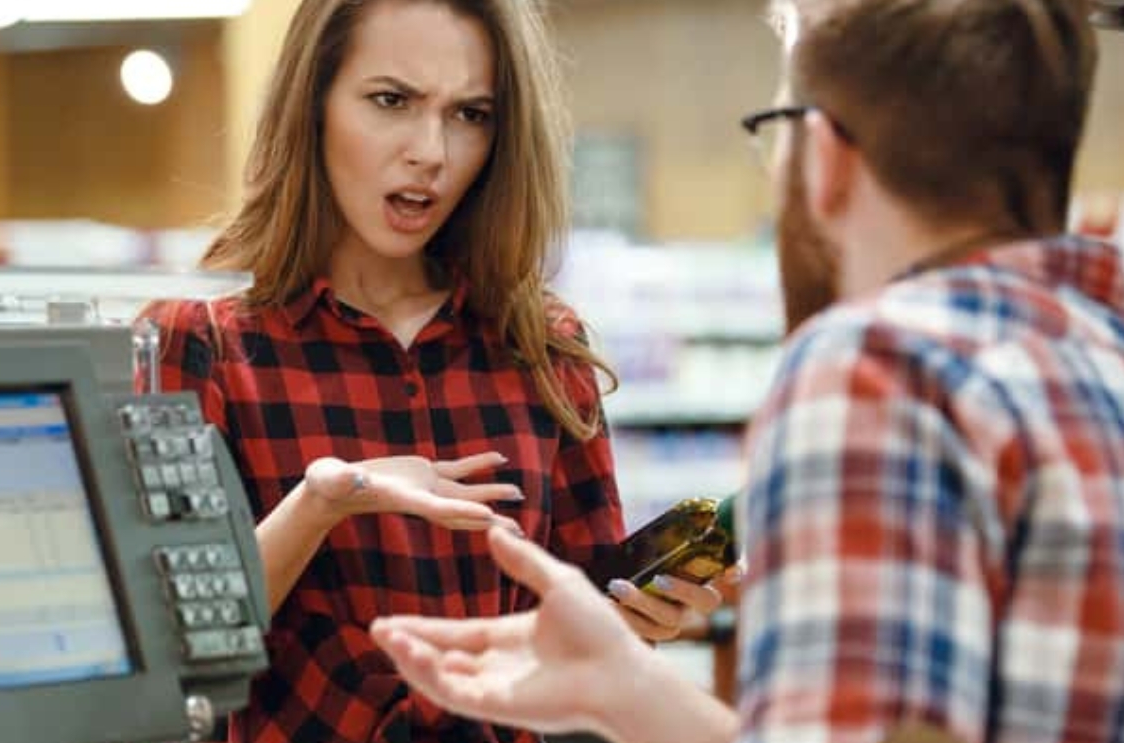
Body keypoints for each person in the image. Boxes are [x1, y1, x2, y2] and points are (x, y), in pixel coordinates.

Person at [371, 1, 1124, 743]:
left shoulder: (881, 368)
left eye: (775, 132)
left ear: (823, 157)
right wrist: (624, 689)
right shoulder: (1094, 347)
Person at [145, 1, 714, 741]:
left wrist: (639, 617)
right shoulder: (200, 349)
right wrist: (321, 503)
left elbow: (576, 643)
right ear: (311, 106)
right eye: (391, 101)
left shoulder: (541, 347)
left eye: (470, 113)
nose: (432, 151)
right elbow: (173, 646)